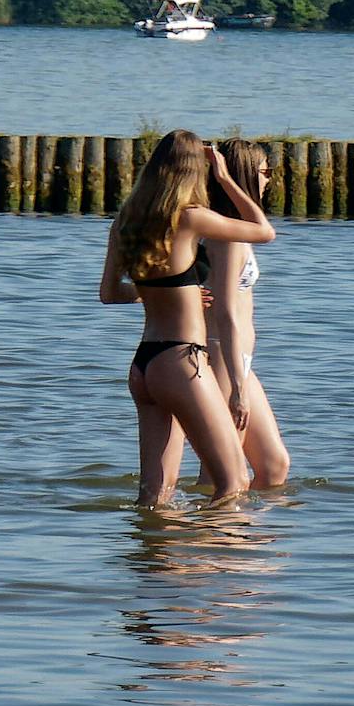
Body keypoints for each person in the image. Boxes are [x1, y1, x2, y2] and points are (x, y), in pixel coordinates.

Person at [98, 129, 276, 505]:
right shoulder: (192, 218)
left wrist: (168, 292)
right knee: (234, 483)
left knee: (154, 494)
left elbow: (110, 294)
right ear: (197, 171)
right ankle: (212, 559)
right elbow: (263, 231)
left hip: (144, 365)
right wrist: (226, 178)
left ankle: (154, 561)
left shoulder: (125, 221)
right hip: (182, 362)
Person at [202, 139, 292, 488]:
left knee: (273, 466)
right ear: (245, 175)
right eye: (264, 171)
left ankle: (242, 537)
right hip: (223, 357)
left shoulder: (234, 230)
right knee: (222, 473)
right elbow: (225, 310)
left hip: (239, 359)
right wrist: (237, 386)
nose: (269, 179)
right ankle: (211, 537)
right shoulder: (227, 238)